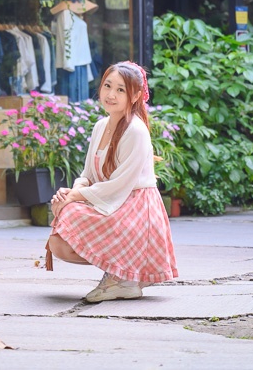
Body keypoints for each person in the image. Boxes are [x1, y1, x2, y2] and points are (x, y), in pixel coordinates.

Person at [45, 61, 178, 302]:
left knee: (72, 217)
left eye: (121, 90)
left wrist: (75, 198)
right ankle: (121, 275)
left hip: (136, 208)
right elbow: (88, 175)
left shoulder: (136, 130)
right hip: (113, 200)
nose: (111, 95)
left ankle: (122, 277)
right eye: (107, 86)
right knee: (59, 241)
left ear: (136, 95)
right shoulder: (100, 126)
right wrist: (71, 193)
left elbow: (120, 184)